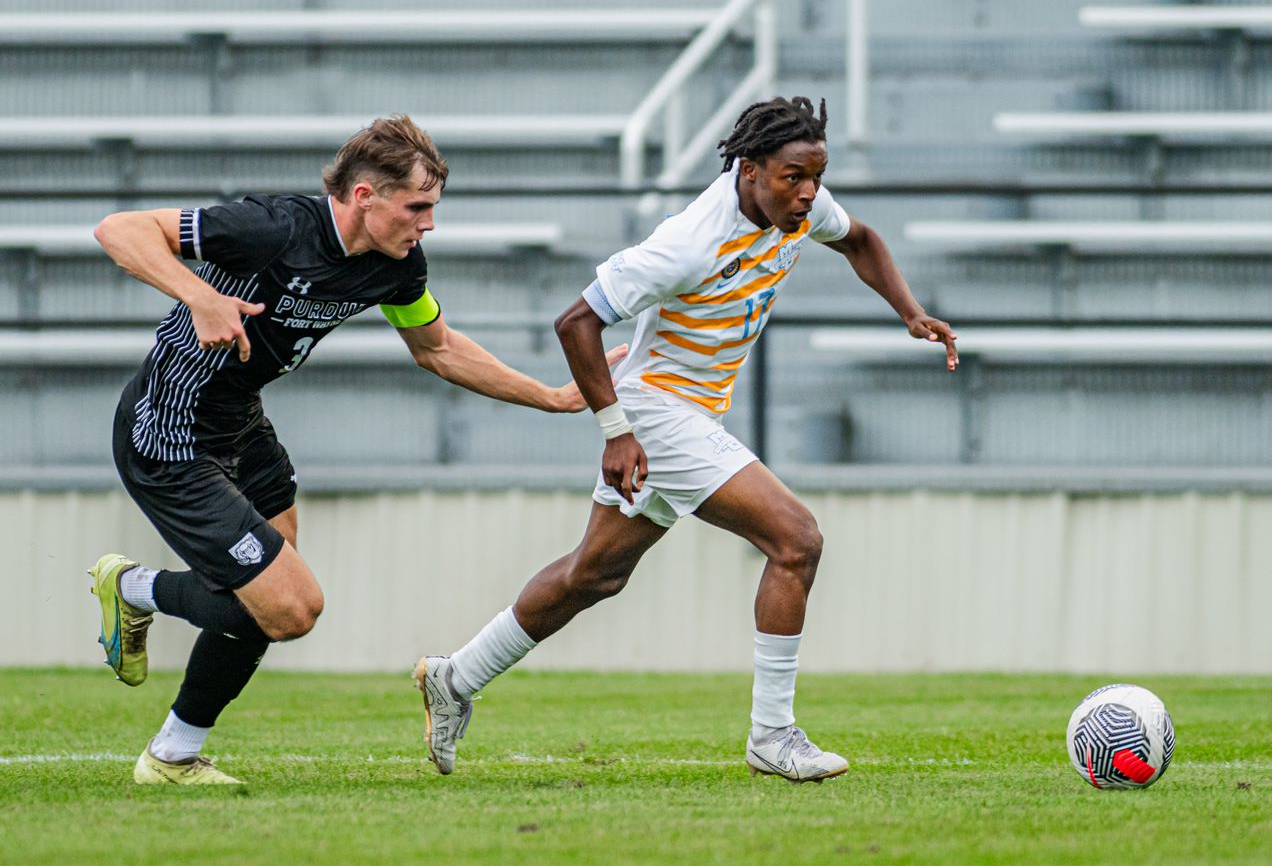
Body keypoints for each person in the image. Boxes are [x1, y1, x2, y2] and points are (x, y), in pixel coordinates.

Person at [413, 96, 957, 783]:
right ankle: (772, 734)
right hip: (657, 411)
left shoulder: (799, 206)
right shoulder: (690, 240)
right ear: (751, 169)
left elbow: (860, 240)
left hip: (691, 414)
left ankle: (455, 677)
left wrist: (911, 314)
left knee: (594, 574)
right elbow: (576, 321)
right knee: (796, 539)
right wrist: (616, 432)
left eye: (817, 176)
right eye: (795, 177)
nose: (810, 193)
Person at [88, 114, 623, 786]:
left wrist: (552, 396)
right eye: (418, 207)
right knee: (291, 607)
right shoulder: (276, 227)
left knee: (268, 595)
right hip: (168, 432)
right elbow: (119, 230)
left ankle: (171, 755)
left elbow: (438, 348)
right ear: (366, 196)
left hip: (240, 425)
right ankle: (135, 589)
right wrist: (201, 295)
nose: (427, 224)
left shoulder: (397, 267)